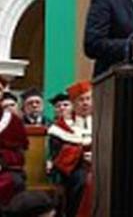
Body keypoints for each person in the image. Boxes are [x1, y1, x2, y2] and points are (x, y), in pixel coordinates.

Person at [47, 81, 93, 217]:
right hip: (75, 170)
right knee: (83, 181)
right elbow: (58, 157)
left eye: (88, 99)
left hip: (102, 167)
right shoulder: (60, 128)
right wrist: (81, 157)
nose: (85, 103)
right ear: (73, 103)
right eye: (81, 100)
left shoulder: (103, 121)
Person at [0, 77, 28, 207]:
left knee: (14, 182)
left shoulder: (12, 121)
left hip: (5, 169)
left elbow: (19, 153)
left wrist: (3, 160)